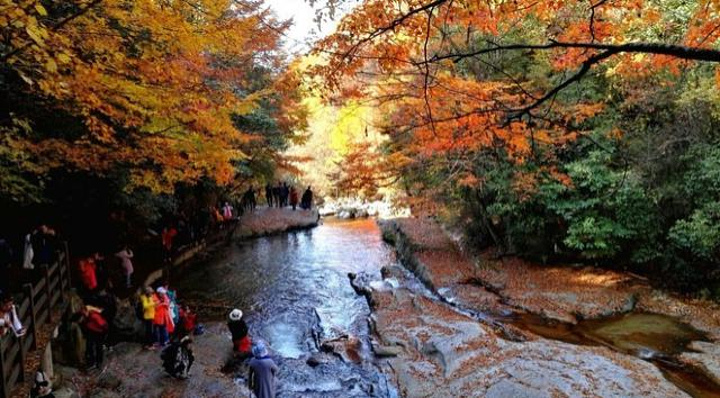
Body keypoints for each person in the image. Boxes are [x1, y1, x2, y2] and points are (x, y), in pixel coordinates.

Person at [82, 305, 108, 370]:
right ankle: (92, 362)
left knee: (98, 347)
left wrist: (103, 333)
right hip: (92, 331)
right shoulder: (89, 316)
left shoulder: (94, 316)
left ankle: (98, 363)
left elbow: (103, 325)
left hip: (98, 332)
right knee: (90, 346)